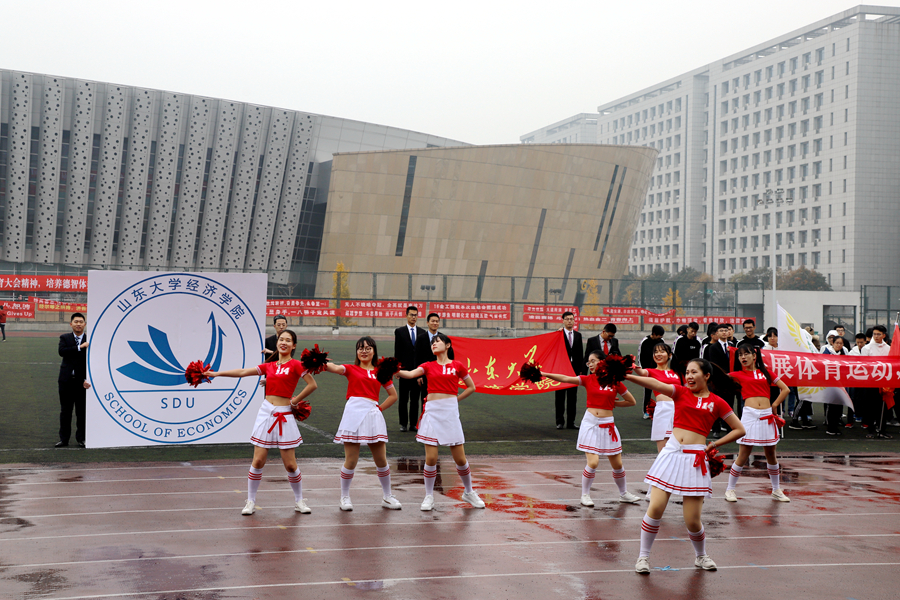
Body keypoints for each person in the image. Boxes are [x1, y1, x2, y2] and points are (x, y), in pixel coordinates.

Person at [626, 359, 746, 574]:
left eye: (694, 372)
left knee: (692, 520)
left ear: (706, 376)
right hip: (671, 454)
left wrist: (714, 445)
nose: (689, 376)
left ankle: (701, 556)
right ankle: (643, 557)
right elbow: (653, 384)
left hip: (695, 461)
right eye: (687, 372)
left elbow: (739, 429)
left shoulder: (718, 402)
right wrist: (624, 376)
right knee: (655, 508)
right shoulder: (680, 392)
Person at [204, 329, 317, 515]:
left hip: (285, 414)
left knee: (290, 464)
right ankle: (250, 501)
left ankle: (299, 500)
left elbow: (312, 384)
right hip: (266, 412)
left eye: (288, 340)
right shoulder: (269, 365)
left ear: (294, 345)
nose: (284, 343)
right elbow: (242, 372)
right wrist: (216, 374)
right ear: (277, 342)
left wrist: (294, 401)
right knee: (258, 460)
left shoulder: (297, 365)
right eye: (281, 339)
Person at [541, 350, 641, 506]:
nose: (590, 365)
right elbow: (566, 378)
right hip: (591, 423)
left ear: (603, 362)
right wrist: (545, 374)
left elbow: (631, 401)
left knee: (618, 464)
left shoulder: (615, 381)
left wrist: (614, 404)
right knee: (593, 462)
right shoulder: (588, 379)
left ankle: (624, 493)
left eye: (593, 361)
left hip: (608, 425)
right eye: (589, 362)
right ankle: (585, 495)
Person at [397, 333, 484, 510]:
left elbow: (471, 387)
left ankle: (468, 492)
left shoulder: (457, 365)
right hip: (432, 412)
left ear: (448, 345)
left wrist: (455, 400)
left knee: (460, 458)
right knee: (431, 457)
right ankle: (429, 496)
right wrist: (394, 370)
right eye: (432, 343)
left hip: (450, 413)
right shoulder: (428, 366)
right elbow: (411, 374)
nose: (434, 344)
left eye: (438, 341)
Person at [322, 336, 401, 511]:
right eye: (360, 348)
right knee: (351, 460)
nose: (364, 351)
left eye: (368, 348)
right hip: (352, 414)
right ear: (356, 352)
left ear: (374, 350)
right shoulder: (350, 369)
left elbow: (393, 395)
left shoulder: (381, 372)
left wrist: (378, 409)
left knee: (381, 459)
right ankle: (344, 497)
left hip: (372, 415)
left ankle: (387, 496)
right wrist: (320, 361)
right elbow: (334, 367)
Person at [724, 344, 791, 503]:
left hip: (767, 415)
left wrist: (774, 405)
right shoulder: (737, 374)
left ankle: (776, 490)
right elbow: (719, 378)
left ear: (754, 356)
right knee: (743, 454)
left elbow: (786, 389)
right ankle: (730, 490)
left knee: (771, 454)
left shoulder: (766, 373)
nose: (743, 357)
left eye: (746, 354)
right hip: (750, 416)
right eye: (740, 355)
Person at [633, 342, 682, 452]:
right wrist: (633, 365)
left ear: (669, 355)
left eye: (662, 351)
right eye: (656, 352)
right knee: (663, 449)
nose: (658, 354)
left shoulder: (678, 372)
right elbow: (641, 372)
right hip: (663, 410)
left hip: (679, 409)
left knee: (679, 445)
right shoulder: (651, 371)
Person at [57, 313, 91, 448]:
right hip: (66, 381)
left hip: (82, 382)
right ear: (71, 324)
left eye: (81, 322)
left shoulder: (90, 339)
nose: (78, 324)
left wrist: (86, 379)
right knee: (65, 411)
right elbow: (62, 351)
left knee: (81, 412)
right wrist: (79, 347)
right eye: (76, 321)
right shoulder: (65, 338)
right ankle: (63, 439)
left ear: (85, 324)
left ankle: (81, 439)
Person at [394, 306, 426, 432]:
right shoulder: (400, 331)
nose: (414, 317)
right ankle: (403, 424)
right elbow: (398, 351)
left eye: (416, 315)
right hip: (404, 371)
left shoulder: (422, 332)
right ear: (406, 315)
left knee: (415, 399)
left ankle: (413, 424)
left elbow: (422, 354)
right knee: (403, 398)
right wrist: (397, 370)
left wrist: (422, 372)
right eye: (411, 315)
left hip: (417, 372)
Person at [703, 323, 736, 436]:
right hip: (718, 381)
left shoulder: (732, 346)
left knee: (729, 405)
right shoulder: (712, 347)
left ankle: (729, 427)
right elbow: (714, 364)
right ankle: (716, 429)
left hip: (730, 381)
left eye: (726, 330)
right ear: (716, 333)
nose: (724, 332)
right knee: (716, 405)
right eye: (721, 330)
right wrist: (724, 374)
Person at [861, 325, 892, 439]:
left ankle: (882, 430)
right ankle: (871, 430)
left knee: (883, 407)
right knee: (870, 407)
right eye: (874, 334)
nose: (876, 336)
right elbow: (864, 366)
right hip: (871, 382)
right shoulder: (867, 348)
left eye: (879, 334)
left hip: (884, 382)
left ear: (884, 335)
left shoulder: (888, 348)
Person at [555, 311, 584, 429]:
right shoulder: (558, 334)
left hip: (574, 371)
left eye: (571, 319)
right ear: (563, 321)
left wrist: (581, 369)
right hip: (561, 369)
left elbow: (580, 353)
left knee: (573, 398)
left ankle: (571, 422)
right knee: (560, 398)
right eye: (567, 319)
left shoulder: (578, 335)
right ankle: (559, 422)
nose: (569, 321)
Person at [637, 325, 666, 419]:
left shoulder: (662, 342)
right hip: (647, 371)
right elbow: (639, 356)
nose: (660, 338)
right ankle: (646, 411)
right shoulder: (645, 342)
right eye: (659, 336)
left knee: (662, 391)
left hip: (659, 370)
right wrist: (642, 370)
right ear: (654, 334)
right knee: (648, 391)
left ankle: (662, 410)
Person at [821, 336, 848, 435]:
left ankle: (835, 425)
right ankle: (830, 427)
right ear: (833, 343)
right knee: (831, 405)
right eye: (837, 343)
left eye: (841, 343)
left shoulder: (844, 353)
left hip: (840, 384)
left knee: (839, 405)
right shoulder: (827, 352)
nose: (839, 345)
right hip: (830, 383)